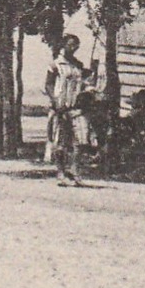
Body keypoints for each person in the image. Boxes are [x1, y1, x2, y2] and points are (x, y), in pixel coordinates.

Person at [45, 34, 91, 185]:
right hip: (60, 108)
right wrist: (55, 100)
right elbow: (49, 84)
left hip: (75, 108)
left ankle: (75, 171)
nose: (73, 48)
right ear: (64, 45)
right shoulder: (56, 64)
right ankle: (60, 172)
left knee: (82, 139)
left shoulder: (78, 65)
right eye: (70, 45)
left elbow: (83, 83)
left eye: (76, 45)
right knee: (60, 141)